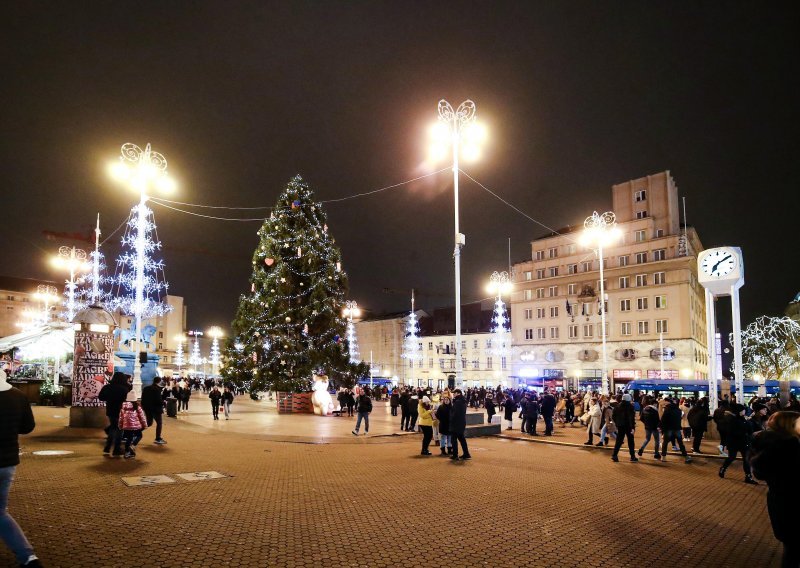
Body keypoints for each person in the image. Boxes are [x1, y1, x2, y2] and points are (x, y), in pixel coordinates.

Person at [0, 369, 42, 568]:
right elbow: (27, 427)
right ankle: (28, 557)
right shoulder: (18, 396)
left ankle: (27, 556)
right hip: (7, 462)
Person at [750, 412, 800, 568]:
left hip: (780, 502)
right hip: (793, 503)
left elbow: (760, 472)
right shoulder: (790, 447)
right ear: (790, 425)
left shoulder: (769, 446)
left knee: (791, 549)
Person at [718, 403, 757, 484]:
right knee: (732, 457)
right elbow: (732, 432)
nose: (744, 411)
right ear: (739, 411)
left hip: (744, 442)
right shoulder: (732, 420)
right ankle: (723, 468)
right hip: (734, 443)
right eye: (743, 410)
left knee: (746, 459)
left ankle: (748, 476)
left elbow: (750, 430)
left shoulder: (744, 419)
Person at [98, 371, 131, 457]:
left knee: (113, 428)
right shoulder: (125, 389)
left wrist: (110, 398)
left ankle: (108, 447)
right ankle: (116, 449)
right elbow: (128, 401)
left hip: (110, 410)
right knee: (119, 430)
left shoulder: (108, 387)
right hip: (120, 411)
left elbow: (101, 397)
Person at [660, 397, 692, 463]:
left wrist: (662, 429)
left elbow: (663, 420)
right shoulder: (678, 410)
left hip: (668, 428)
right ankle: (685, 456)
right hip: (677, 428)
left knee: (665, 442)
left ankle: (663, 457)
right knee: (680, 442)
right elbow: (679, 418)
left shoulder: (667, 409)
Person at [118, 390, 148, 459]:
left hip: (126, 426)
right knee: (139, 435)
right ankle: (133, 446)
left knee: (129, 438)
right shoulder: (137, 407)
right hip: (136, 426)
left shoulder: (123, 407)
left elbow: (121, 418)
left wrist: (120, 426)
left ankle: (127, 452)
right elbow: (142, 417)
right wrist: (145, 425)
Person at [611, 394, 638, 462]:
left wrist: (617, 423)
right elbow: (631, 418)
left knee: (619, 441)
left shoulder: (617, 406)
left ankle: (614, 455)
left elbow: (613, 416)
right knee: (631, 441)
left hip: (620, 426)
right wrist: (633, 427)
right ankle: (632, 456)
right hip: (628, 426)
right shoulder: (630, 406)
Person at [141, 376, 167, 444]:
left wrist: (144, 406)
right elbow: (158, 400)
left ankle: (136, 432)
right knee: (159, 423)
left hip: (147, 409)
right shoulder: (157, 389)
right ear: (159, 381)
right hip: (156, 409)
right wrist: (163, 403)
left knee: (149, 423)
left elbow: (143, 398)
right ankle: (158, 438)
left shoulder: (146, 388)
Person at [449, 389, 471, 461]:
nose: (453, 395)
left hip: (456, 423)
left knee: (454, 439)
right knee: (462, 439)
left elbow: (455, 413)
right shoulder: (463, 401)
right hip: (461, 423)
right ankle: (466, 453)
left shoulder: (458, 402)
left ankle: (455, 455)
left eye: (454, 393)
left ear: (458, 393)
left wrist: (451, 419)